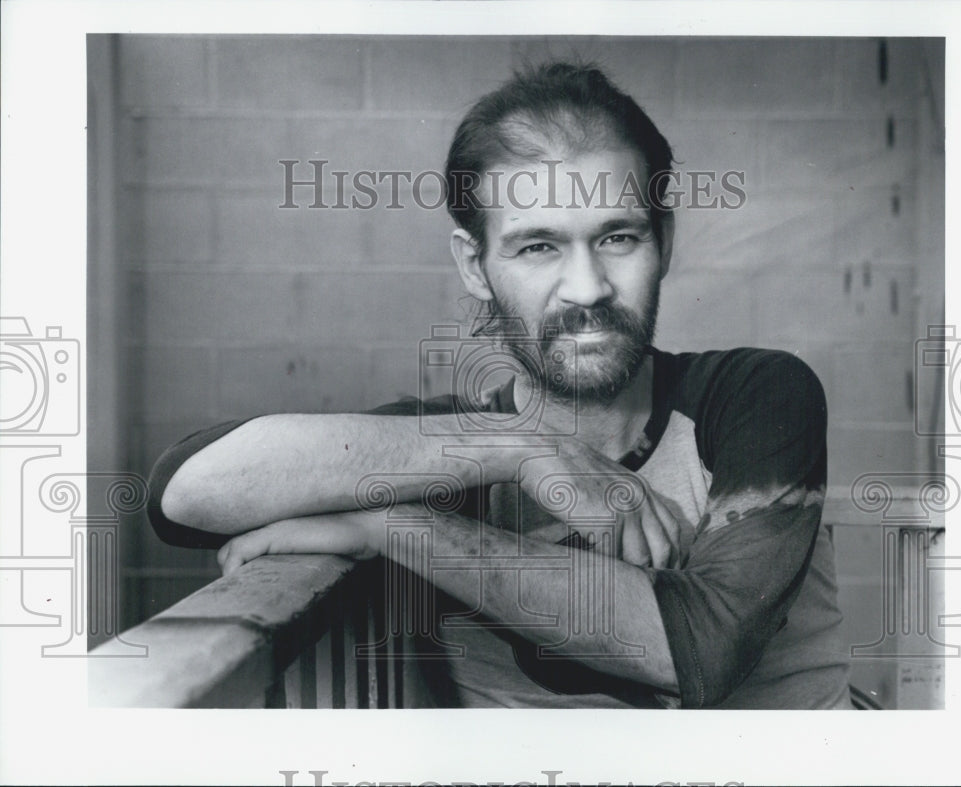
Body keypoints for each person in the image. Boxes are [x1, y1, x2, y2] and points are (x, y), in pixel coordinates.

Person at [146, 62, 851, 709]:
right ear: (476, 265)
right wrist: (513, 444)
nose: (587, 288)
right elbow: (181, 491)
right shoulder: (447, 450)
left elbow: (696, 646)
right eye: (538, 245)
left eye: (618, 237)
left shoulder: (755, 393)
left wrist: (393, 526)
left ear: (665, 239)